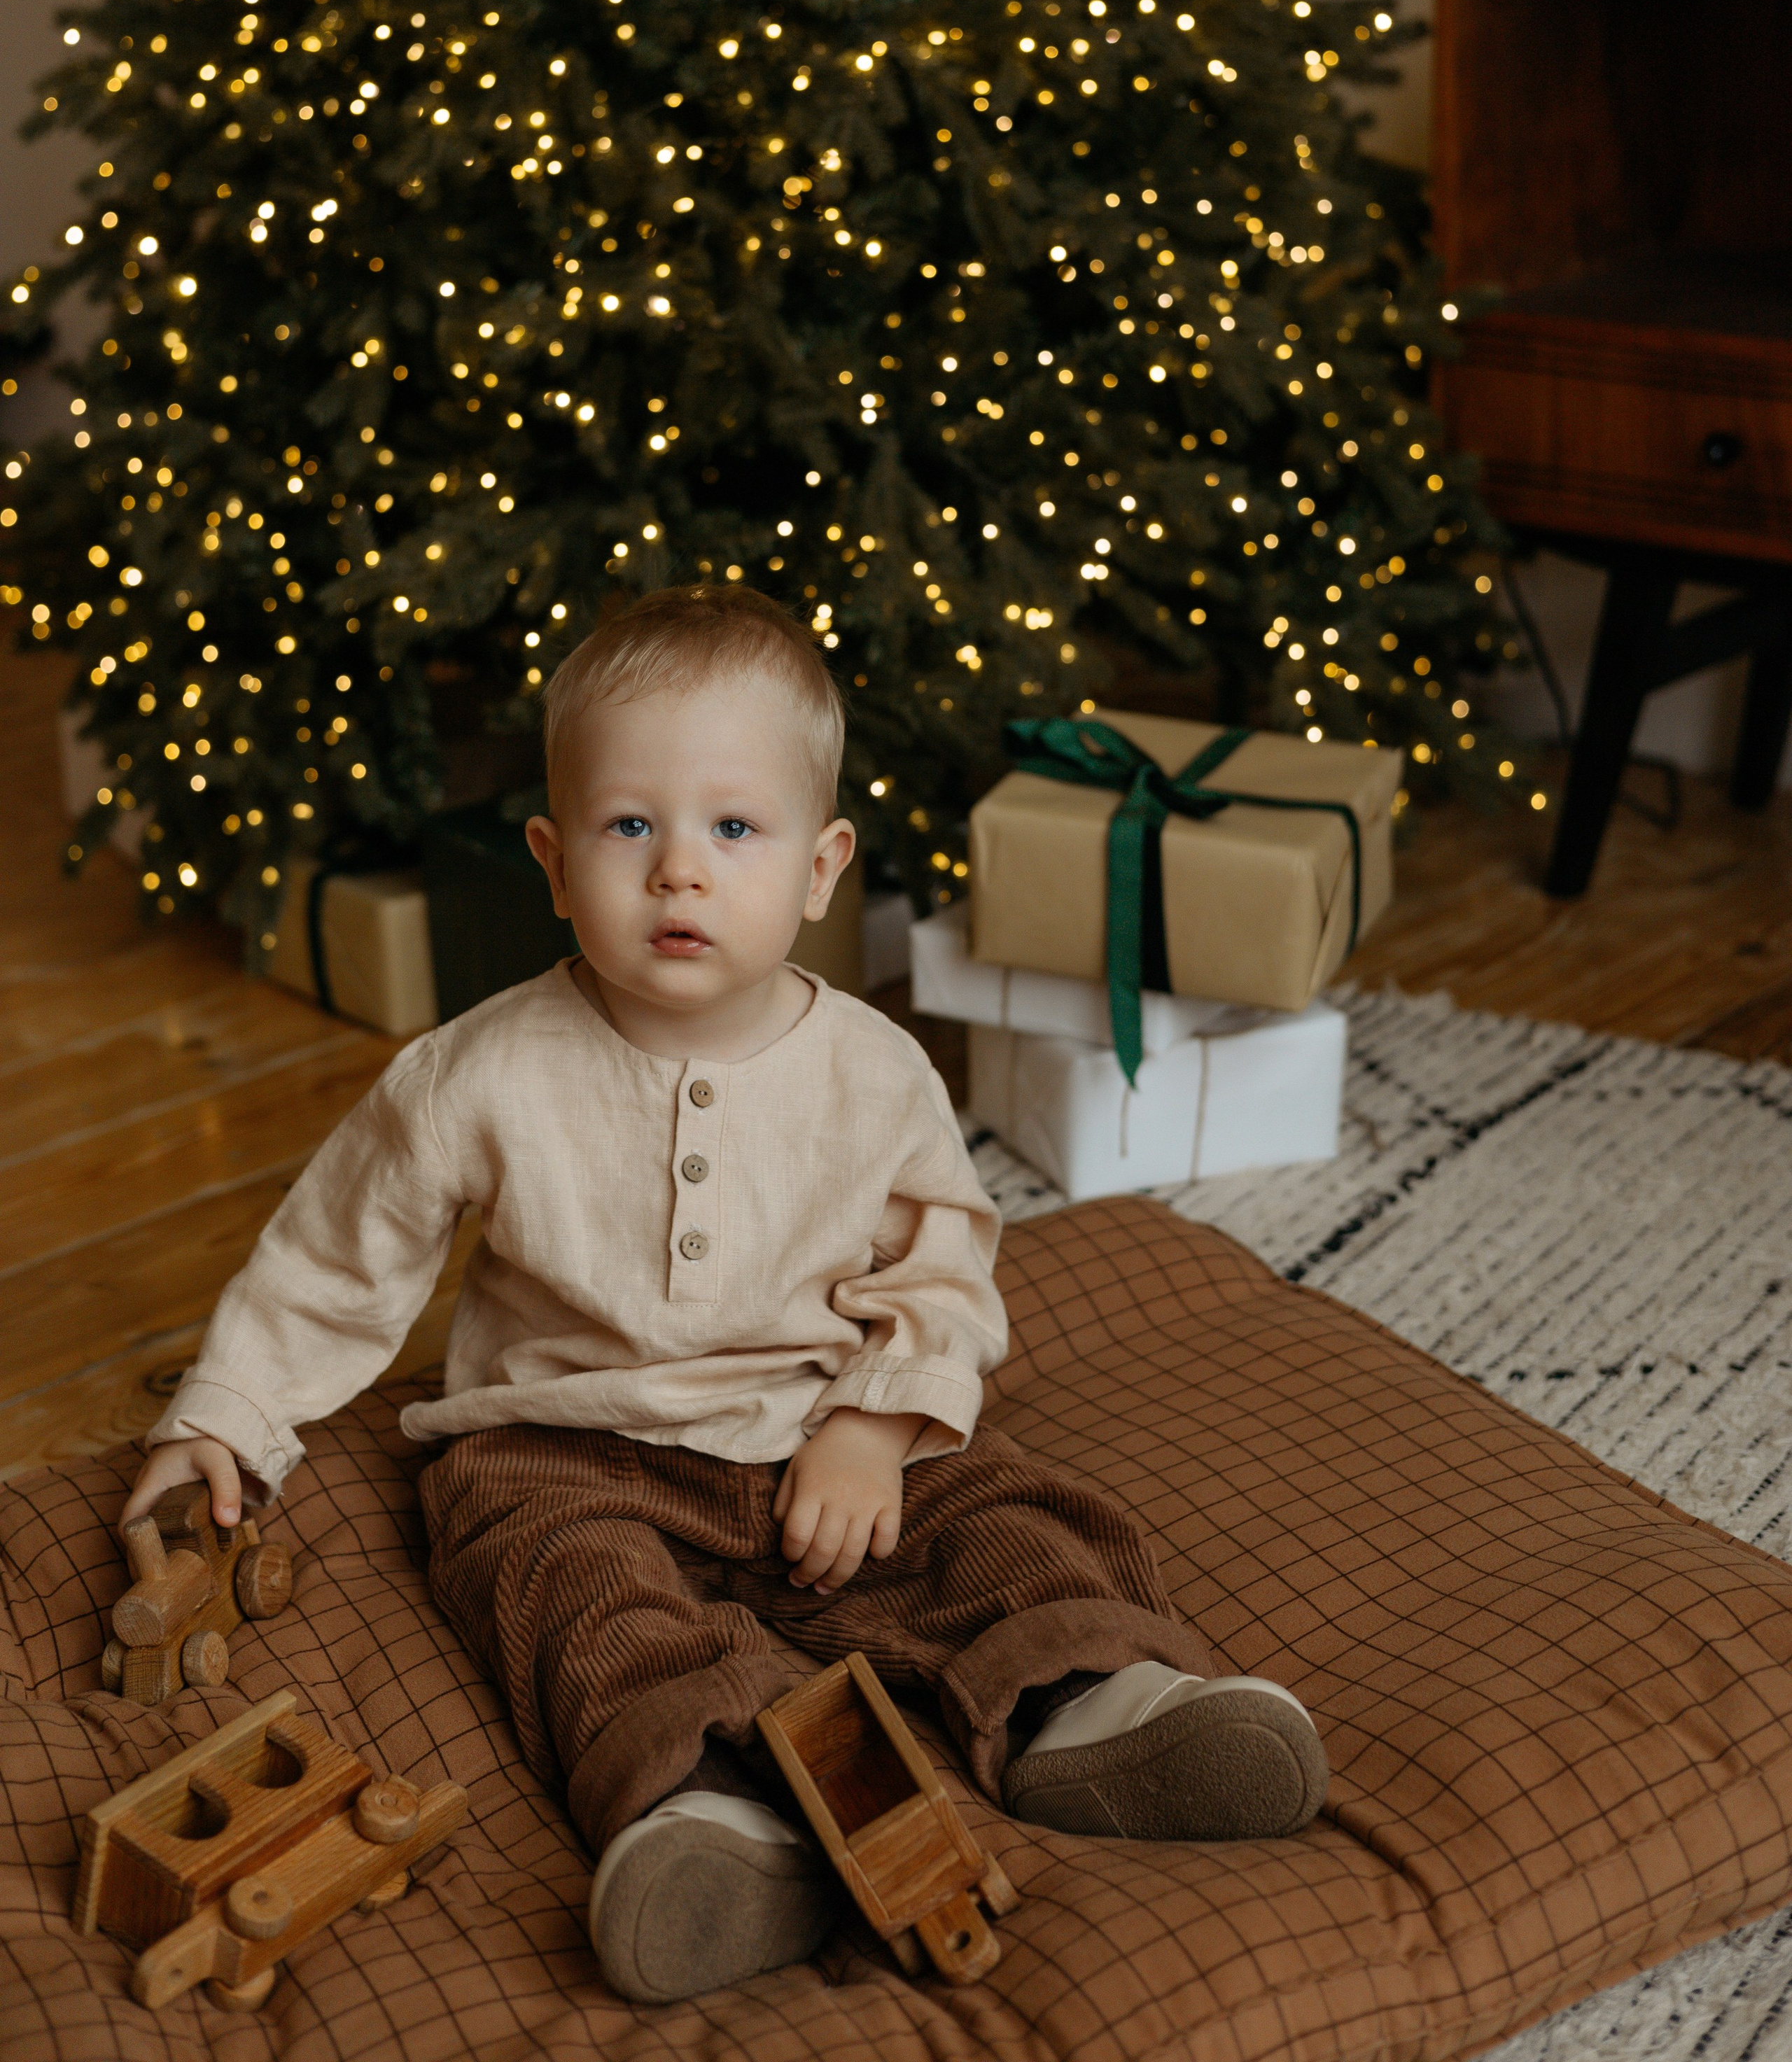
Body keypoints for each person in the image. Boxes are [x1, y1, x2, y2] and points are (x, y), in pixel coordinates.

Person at [123, 584, 1327, 2003]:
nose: (677, 872)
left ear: (820, 869)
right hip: (569, 1450)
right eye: (629, 827)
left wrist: (877, 1425)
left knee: (1007, 1515)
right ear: (553, 862)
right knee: (562, 1592)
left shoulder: (873, 1071)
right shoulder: (476, 1073)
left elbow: (942, 1261)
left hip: (820, 1423)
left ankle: (1090, 1700)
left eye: (732, 831)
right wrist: (228, 1414)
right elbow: (338, 1256)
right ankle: (707, 1808)